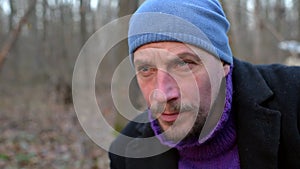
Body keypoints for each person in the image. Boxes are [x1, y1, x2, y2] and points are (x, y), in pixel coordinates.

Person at [109, 0, 300, 169]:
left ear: (224, 63)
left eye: (183, 64)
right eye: (146, 70)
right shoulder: (125, 153)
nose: (162, 94)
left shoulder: (294, 98)